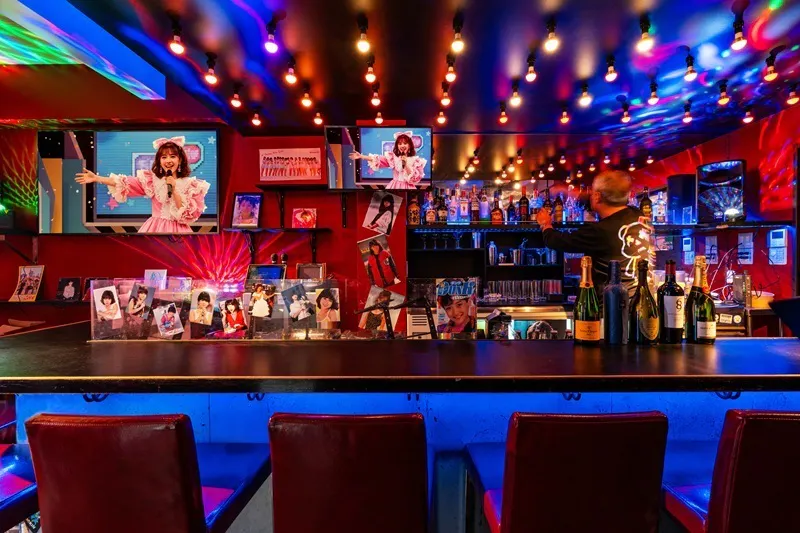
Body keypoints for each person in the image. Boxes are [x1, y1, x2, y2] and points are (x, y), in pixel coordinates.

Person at [535, 170, 653, 294]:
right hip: (642, 296)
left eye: (592, 193)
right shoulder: (636, 214)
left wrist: (546, 224)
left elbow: (556, 241)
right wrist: (568, 192)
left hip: (613, 301)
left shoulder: (601, 231)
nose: (590, 195)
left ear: (597, 196)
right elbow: (608, 196)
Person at [74, 137, 210, 233]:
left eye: (172, 156)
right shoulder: (153, 181)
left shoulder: (191, 185)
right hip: (155, 229)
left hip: (179, 232)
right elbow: (125, 182)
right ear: (159, 161)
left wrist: (174, 190)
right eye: (164, 157)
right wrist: (97, 178)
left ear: (180, 160)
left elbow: (188, 216)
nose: (168, 160)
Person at [348, 132, 427, 189]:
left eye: (405, 143)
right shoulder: (393, 158)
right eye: (400, 144)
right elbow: (378, 159)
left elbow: (415, 178)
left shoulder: (416, 161)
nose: (402, 145)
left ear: (409, 145)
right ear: (397, 146)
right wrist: (361, 156)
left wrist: (405, 164)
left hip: (408, 187)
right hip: (394, 186)